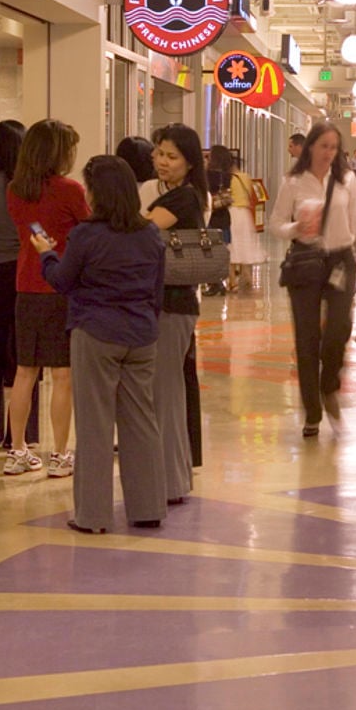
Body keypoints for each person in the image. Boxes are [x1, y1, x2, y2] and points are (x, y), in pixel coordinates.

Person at [31, 155, 167, 533]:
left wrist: (46, 254)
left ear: (97, 193)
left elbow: (62, 281)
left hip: (96, 332)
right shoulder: (148, 234)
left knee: (95, 427)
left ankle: (93, 516)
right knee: (141, 423)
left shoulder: (87, 236)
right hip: (141, 335)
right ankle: (147, 508)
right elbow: (157, 292)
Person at [270, 120, 356, 438]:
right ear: (310, 147)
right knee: (306, 339)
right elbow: (276, 222)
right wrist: (296, 229)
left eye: (334, 147)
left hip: (341, 260)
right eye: (323, 146)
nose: (329, 153)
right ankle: (312, 411)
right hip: (305, 261)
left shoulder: (346, 180)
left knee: (338, 330)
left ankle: (329, 384)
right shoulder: (293, 181)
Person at [4, 120, 89, 476]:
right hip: (61, 286)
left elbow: (33, 230)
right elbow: (87, 228)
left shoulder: (15, 190)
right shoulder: (71, 189)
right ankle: (59, 454)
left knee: (25, 372)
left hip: (26, 285)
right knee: (63, 375)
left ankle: (18, 450)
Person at [144, 123, 207, 503]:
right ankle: (175, 478)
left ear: (189, 163)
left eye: (171, 156)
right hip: (172, 305)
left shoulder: (182, 198)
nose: (162, 162)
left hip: (173, 304)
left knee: (165, 393)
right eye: (159, 153)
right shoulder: (176, 194)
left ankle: (169, 483)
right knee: (170, 390)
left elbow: (145, 232)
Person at [0, 119, 39, 449]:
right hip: (22, 271)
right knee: (26, 357)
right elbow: (37, 229)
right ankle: (22, 435)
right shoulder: (27, 187)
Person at [228, 156, 264, 291]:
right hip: (245, 214)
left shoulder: (229, 178)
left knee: (232, 245)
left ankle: (232, 281)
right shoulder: (246, 177)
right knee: (245, 244)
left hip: (233, 213)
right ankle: (247, 275)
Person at [204, 143, 233, 295]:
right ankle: (220, 282)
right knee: (221, 251)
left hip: (212, 216)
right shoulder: (227, 175)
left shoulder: (208, 175)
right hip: (224, 217)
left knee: (209, 252)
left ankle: (214, 284)